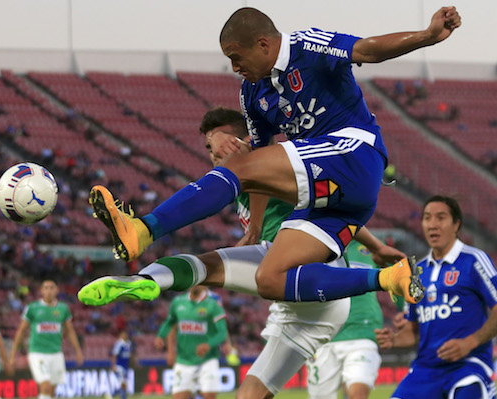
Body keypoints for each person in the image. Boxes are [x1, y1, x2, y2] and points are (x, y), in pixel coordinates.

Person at [80, 6, 462, 307]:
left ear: (263, 45)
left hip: (354, 153)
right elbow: (261, 161)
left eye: (237, 56)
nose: (234, 67)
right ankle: (389, 278)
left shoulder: (307, 45)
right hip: (337, 200)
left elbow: (366, 50)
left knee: (238, 163)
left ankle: (145, 228)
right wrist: (256, 225)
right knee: (269, 278)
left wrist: (427, 36)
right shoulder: (251, 94)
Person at [81, 108, 404, 399]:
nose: (213, 153)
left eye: (218, 143)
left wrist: (256, 207)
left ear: (243, 140)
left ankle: (149, 265)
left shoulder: (272, 164)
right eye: (208, 148)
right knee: (249, 395)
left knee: (207, 267)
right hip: (299, 309)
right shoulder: (242, 182)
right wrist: (377, 247)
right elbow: (330, 210)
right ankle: (144, 280)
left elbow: (263, 167)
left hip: (309, 268)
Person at [375, 196, 497, 399]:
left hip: (468, 366)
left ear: (456, 224)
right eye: (427, 218)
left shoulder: (473, 260)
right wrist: (394, 339)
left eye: (440, 218)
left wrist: (470, 342)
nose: (432, 224)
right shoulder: (416, 273)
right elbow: (413, 331)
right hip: (425, 370)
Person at [306, 241, 384, 399]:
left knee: (358, 396)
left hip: (362, 332)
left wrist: (406, 311)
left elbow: (398, 275)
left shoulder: (373, 246)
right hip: (323, 336)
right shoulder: (313, 243)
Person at [9, 279, 84, 399]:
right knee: (45, 386)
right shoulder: (32, 308)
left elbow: (70, 331)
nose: (49, 291)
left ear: (57, 290)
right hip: (37, 353)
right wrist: (13, 354)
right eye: (46, 288)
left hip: (56, 353)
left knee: (52, 391)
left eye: (52, 288)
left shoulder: (63, 308)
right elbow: (21, 331)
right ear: (41, 291)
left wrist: (78, 351)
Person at [155, 285, 228, 399]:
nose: (195, 284)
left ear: (204, 283)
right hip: (184, 360)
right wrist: (160, 336)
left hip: (207, 360)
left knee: (209, 397)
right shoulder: (178, 302)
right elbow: (170, 323)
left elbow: (222, 333)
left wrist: (209, 345)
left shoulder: (213, 304)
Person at [110, 330, 134, 399]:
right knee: (123, 382)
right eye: (123, 335)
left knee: (124, 383)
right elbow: (114, 354)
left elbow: (130, 354)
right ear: (120, 335)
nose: (125, 336)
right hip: (119, 366)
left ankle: (113, 394)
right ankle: (123, 397)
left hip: (125, 366)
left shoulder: (129, 343)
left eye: (125, 334)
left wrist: (134, 362)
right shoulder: (119, 343)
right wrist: (113, 365)